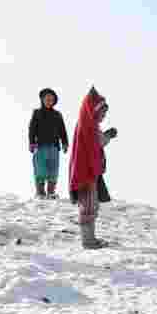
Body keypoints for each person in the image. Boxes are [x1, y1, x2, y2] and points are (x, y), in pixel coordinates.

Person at [69, 87, 117, 249]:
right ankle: (88, 241)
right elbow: (98, 142)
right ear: (94, 110)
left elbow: (97, 142)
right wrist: (108, 136)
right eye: (102, 113)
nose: (103, 117)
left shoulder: (89, 124)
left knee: (91, 205)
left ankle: (90, 238)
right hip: (86, 174)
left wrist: (107, 135)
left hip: (89, 173)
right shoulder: (88, 126)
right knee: (88, 206)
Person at [28, 88, 70, 199]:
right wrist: (31, 143)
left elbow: (62, 130)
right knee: (40, 169)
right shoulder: (37, 113)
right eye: (46, 99)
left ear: (54, 101)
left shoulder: (57, 115)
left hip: (54, 147)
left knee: (53, 170)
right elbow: (32, 129)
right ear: (42, 99)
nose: (49, 101)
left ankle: (51, 192)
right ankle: (40, 192)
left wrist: (65, 143)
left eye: (51, 99)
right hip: (40, 146)